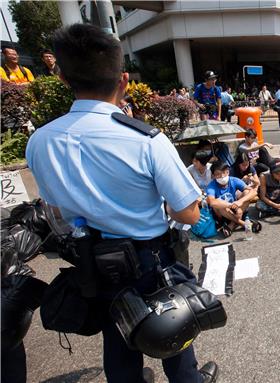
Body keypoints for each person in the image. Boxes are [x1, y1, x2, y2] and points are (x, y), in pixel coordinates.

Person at [25, 23, 218, 383]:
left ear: (63, 78)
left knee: (117, 333)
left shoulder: (39, 141)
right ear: (124, 80)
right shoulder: (145, 140)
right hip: (149, 258)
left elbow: (53, 211)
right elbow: (187, 213)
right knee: (173, 327)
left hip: (89, 260)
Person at [206, 161, 259, 237]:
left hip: (237, 210)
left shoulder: (234, 180)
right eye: (218, 174)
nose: (222, 176)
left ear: (228, 172)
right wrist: (231, 205)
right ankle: (243, 223)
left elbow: (253, 192)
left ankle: (232, 224)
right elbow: (212, 202)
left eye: (224, 172)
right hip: (223, 213)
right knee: (218, 203)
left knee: (247, 192)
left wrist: (240, 202)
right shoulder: (211, 186)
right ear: (213, 176)